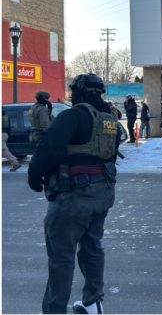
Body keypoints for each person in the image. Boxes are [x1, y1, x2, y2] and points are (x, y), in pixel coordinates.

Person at [27, 73, 122, 314]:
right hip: (104, 190)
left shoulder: (73, 115)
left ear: (78, 91)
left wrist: (34, 175)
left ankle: (54, 310)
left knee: (61, 256)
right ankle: (92, 303)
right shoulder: (109, 118)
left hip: (74, 194)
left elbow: (48, 146)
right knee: (92, 247)